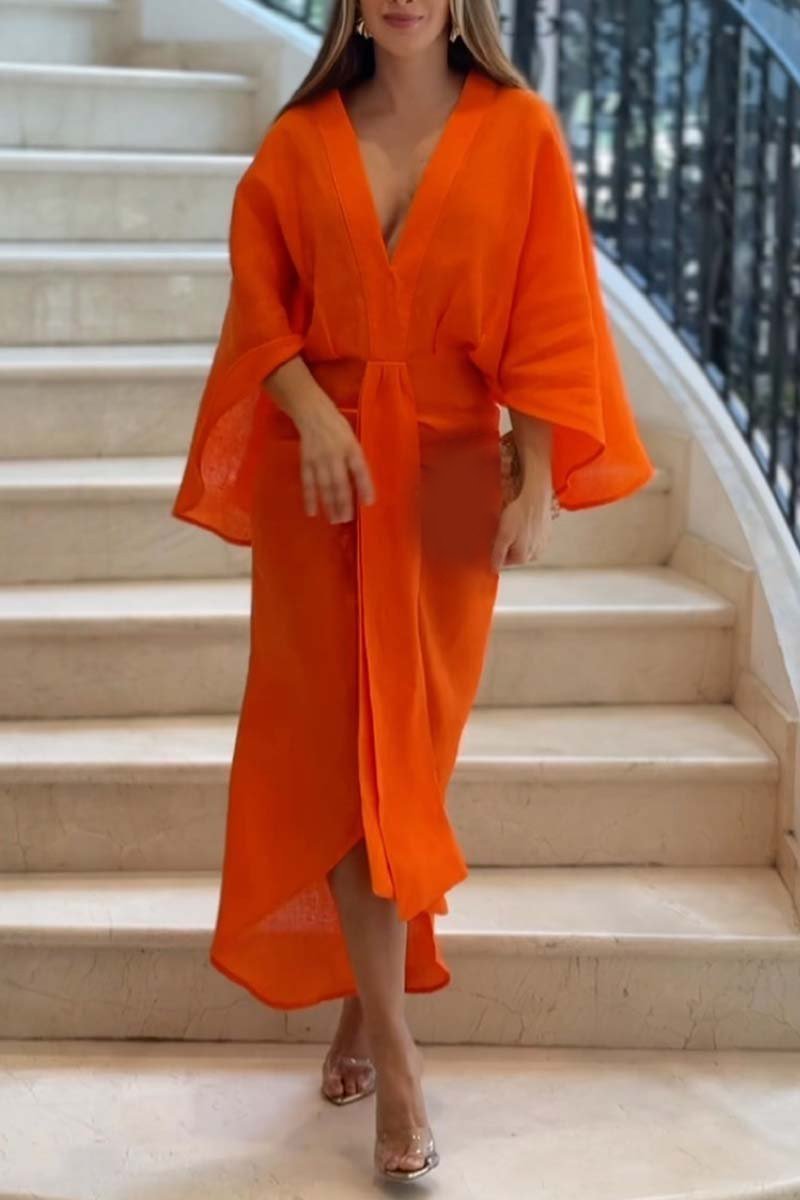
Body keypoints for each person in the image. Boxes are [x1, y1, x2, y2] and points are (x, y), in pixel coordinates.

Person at [171, 0, 655, 1182]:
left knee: (409, 757)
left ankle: (359, 1002)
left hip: (449, 475)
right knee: (339, 758)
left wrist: (534, 476)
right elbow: (257, 310)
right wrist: (312, 413)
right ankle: (399, 1059)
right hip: (320, 480)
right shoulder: (301, 140)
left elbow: (551, 307)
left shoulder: (519, 129)